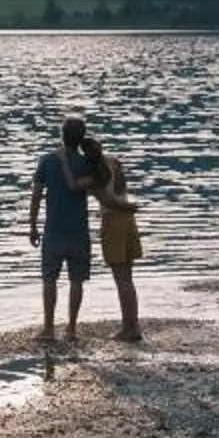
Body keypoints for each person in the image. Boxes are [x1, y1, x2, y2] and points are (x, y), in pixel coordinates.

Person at [29, 114, 97, 341]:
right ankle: (71, 328)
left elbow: (36, 196)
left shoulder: (47, 161)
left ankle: (48, 328)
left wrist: (32, 226)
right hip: (79, 231)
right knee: (76, 280)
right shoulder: (87, 163)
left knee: (49, 279)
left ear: (62, 135)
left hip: (54, 231)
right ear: (81, 138)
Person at [81, 132, 143, 342]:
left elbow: (108, 202)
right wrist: (129, 208)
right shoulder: (115, 162)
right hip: (128, 221)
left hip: (113, 221)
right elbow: (119, 191)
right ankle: (134, 325)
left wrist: (128, 207)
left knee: (121, 279)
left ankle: (128, 328)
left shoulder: (94, 175)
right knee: (128, 278)